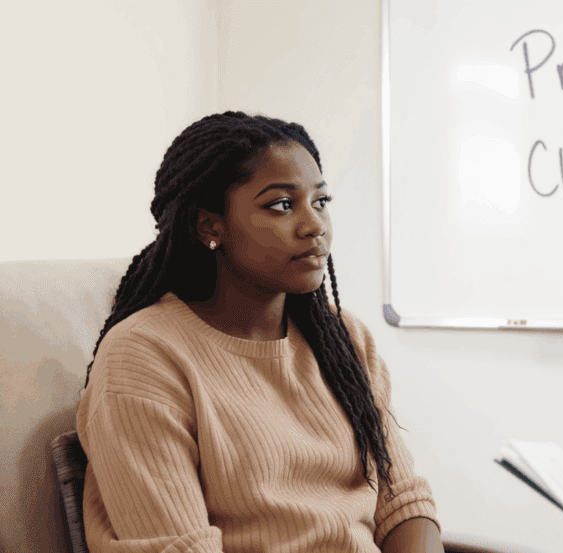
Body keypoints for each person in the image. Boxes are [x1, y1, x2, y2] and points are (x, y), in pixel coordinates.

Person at [77, 112, 443, 553]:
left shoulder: (343, 338)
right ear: (209, 225)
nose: (315, 226)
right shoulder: (143, 357)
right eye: (282, 205)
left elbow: (402, 503)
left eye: (321, 202)